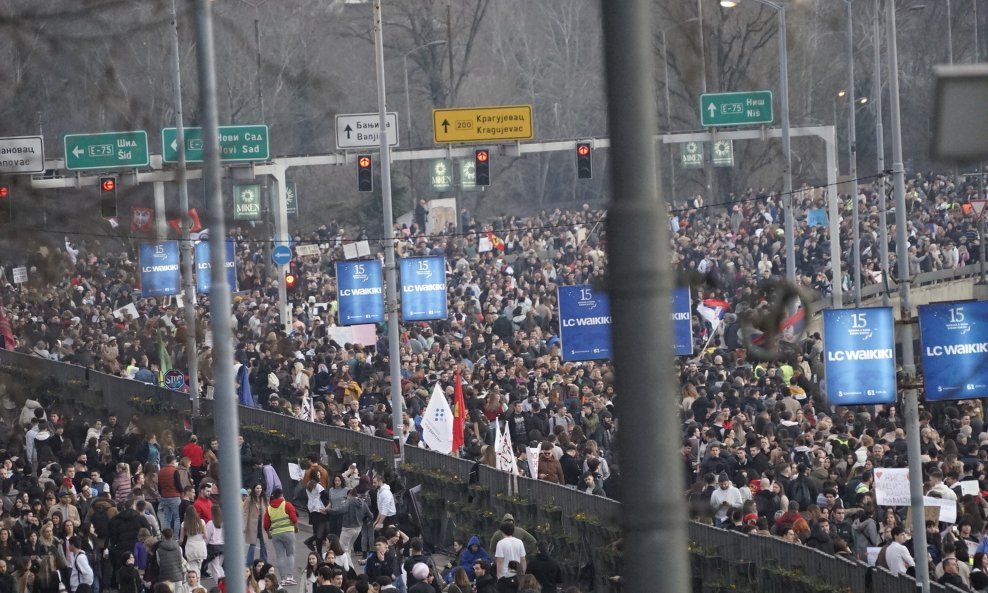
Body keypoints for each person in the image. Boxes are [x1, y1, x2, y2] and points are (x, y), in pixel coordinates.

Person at [264, 487, 299, 587]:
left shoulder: (269, 508)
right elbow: (294, 519)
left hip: (275, 534)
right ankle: (289, 577)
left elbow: (266, 524)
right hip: (288, 532)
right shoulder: (287, 504)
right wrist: (296, 528)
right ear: (282, 495)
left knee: (280, 556)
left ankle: (283, 579)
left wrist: (268, 533)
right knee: (290, 554)